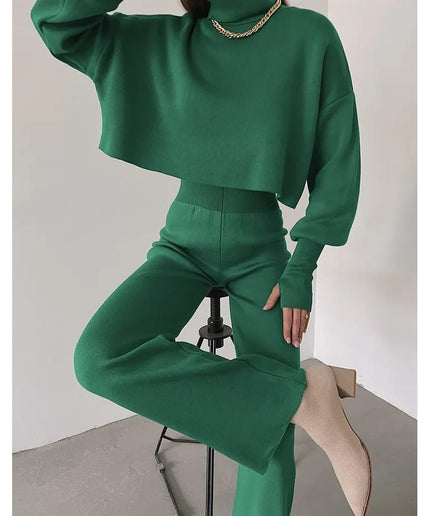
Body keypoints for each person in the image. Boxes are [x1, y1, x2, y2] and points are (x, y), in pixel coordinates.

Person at [29, 0, 372, 514]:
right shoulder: (174, 40)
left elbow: (339, 162)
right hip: (181, 244)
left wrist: (303, 265)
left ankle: (289, 399)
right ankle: (302, 396)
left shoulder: (309, 34)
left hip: (263, 251)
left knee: (270, 439)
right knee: (98, 357)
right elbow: (57, 23)